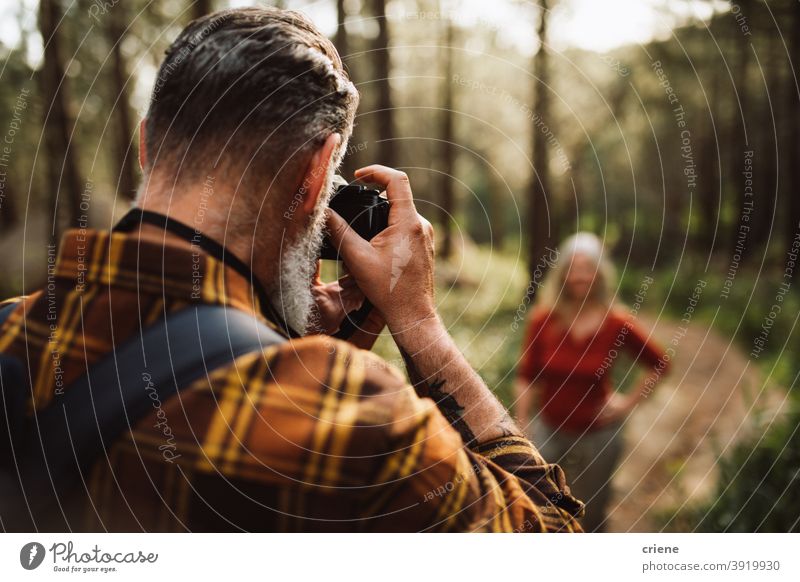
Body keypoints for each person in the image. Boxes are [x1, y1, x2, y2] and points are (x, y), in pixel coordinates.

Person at [0, 7, 582, 532]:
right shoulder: (355, 425)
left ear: (149, 145)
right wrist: (421, 325)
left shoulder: (11, 336)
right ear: (317, 172)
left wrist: (281, 345)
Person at [514, 233, 669, 532]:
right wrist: (522, 422)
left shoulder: (618, 323)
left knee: (591, 513)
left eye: (587, 268)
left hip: (599, 435)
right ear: (562, 274)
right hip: (549, 428)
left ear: (600, 274)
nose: (580, 276)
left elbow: (660, 365)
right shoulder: (542, 319)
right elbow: (527, 375)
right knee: (536, 505)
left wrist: (627, 403)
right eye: (573, 268)